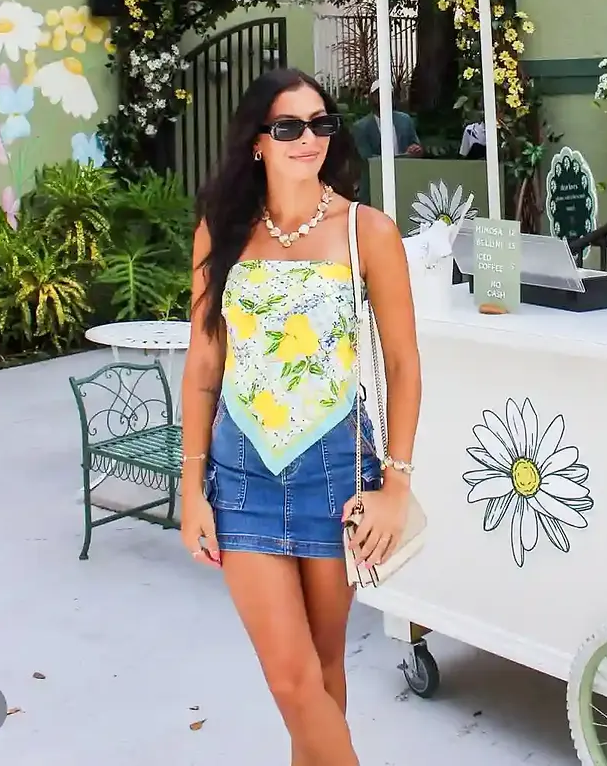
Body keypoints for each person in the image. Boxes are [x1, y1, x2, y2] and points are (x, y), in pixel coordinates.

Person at [180, 67, 422, 766]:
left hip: (334, 474)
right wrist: (191, 487)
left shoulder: (368, 233)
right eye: (288, 126)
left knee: (322, 674)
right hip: (241, 473)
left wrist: (397, 484)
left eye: (320, 124)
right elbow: (203, 368)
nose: (307, 139)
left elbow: (404, 364)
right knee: (290, 681)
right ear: (257, 141)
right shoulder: (221, 233)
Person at [351, 78, 424, 160]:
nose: (383, 97)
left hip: (407, 170)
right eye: (378, 94)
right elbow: (366, 159)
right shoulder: (361, 127)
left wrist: (415, 149)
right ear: (371, 98)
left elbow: (417, 147)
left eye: (387, 93)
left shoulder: (405, 120)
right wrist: (405, 156)